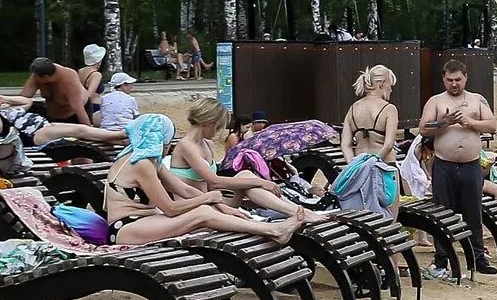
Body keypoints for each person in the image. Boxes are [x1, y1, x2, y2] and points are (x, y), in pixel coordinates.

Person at [102, 113, 308, 246]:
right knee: (202, 213)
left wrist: (224, 207)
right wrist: (207, 199)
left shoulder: (148, 161)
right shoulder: (142, 164)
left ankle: (261, 233)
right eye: (167, 140)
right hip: (126, 228)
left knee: (210, 218)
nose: (168, 146)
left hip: (146, 222)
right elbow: (170, 208)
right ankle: (273, 230)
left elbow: (184, 190)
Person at [172, 98, 324, 218]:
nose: (218, 131)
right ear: (209, 123)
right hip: (194, 208)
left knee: (245, 176)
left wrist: (255, 197)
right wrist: (261, 182)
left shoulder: (208, 144)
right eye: (218, 127)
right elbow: (214, 181)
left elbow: (212, 186)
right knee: (249, 179)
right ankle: (298, 211)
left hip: (214, 203)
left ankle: (296, 210)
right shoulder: (186, 146)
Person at [420, 59, 497, 276]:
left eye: (458, 80)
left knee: (474, 212)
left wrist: (470, 123)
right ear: (443, 79)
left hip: (470, 165)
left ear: (466, 78)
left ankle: (478, 257)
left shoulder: (477, 100)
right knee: (442, 212)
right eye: (449, 80)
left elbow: (492, 125)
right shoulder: (435, 101)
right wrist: (443, 122)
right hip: (444, 164)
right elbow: (423, 128)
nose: (454, 84)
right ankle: (441, 259)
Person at [333, 65, 402, 215]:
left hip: (359, 168)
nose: (391, 89)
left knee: (363, 216)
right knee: (389, 216)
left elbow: (345, 144)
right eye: (390, 84)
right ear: (381, 83)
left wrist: (355, 165)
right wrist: (375, 162)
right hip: (385, 166)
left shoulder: (353, 109)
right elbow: (389, 144)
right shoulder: (389, 108)